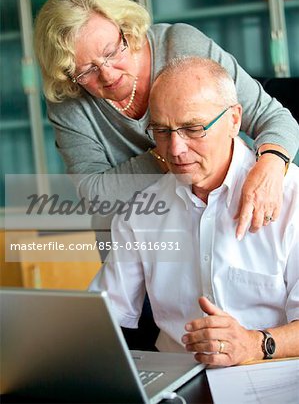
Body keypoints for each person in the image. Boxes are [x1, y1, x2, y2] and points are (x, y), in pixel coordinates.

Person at [33, 0, 299, 243]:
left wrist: (271, 165)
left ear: (125, 29)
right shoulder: (68, 97)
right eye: (87, 70)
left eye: (111, 52)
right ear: (68, 75)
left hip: (220, 220)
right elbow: (96, 196)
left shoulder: (180, 45)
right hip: (141, 237)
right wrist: (172, 153)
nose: (108, 74)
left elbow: (274, 117)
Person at [89, 57, 299, 366]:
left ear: (234, 120)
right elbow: (104, 313)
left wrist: (254, 344)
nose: (175, 149)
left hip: (269, 375)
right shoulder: (140, 213)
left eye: (192, 129)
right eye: (161, 131)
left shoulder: (291, 196)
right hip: (178, 380)